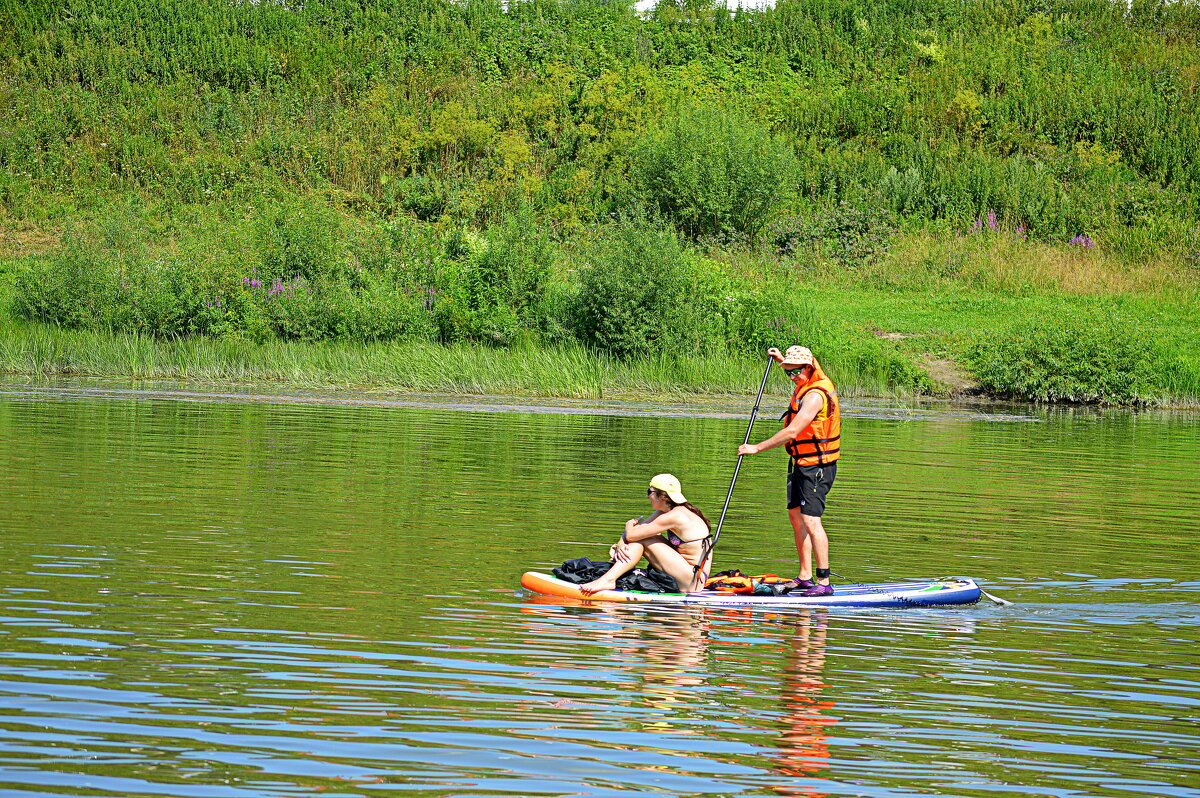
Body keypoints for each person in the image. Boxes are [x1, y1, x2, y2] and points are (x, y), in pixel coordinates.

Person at [737, 345, 841, 597]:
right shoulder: (804, 381)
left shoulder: (816, 395)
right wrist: (781, 361)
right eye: (788, 373)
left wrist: (756, 448)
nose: (792, 377)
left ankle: (824, 583)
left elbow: (793, 431)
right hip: (800, 462)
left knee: (811, 520)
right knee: (796, 517)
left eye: (795, 372)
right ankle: (805, 577)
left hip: (818, 466)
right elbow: (796, 373)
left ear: (808, 368)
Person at [579, 474, 713, 595]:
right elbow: (636, 532)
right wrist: (621, 543)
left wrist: (627, 524)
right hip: (685, 573)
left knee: (642, 540)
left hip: (693, 581)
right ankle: (610, 577)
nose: (648, 496)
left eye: (650, 492)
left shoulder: (675, 516)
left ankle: (609, 579)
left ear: (663, 496)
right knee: (645, 537)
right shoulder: (665, 512)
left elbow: (632, 535)